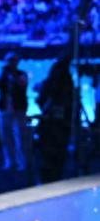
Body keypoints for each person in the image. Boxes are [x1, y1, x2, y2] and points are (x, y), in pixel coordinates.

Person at [34, 54, 73, 184]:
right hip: (60, 125)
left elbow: (42, 99)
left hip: (52, 125)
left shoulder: (53, 81)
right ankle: (54, 178)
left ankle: (48, 178)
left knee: (49, 154)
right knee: (56, 154)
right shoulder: (66, 82)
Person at [0, 52, 29, 173]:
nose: (11, 63)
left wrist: (12, 77)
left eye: (13, 61)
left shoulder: (22, 74)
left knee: (20, 137)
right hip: (4, 109)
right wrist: (3, 74)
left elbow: (22, 85)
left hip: (19, 109)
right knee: (6, 137)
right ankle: (9, 162)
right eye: (9, 61)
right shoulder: (3, 75)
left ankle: (22, 163)